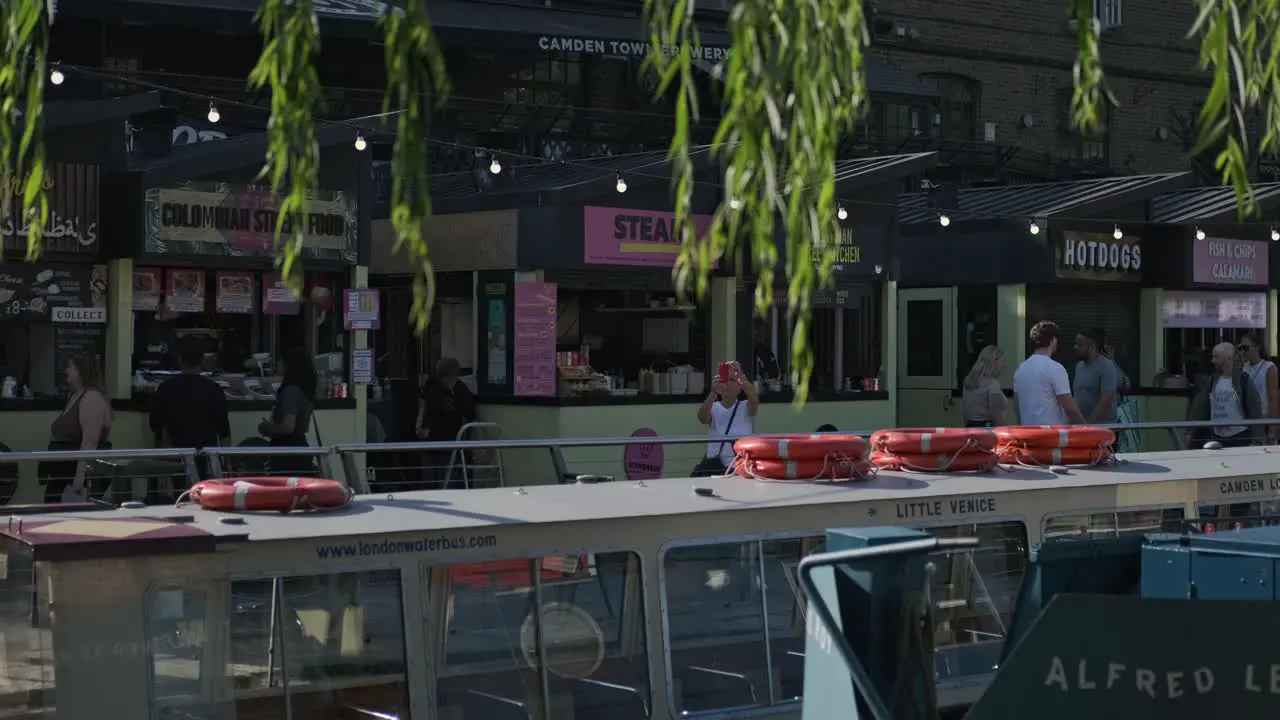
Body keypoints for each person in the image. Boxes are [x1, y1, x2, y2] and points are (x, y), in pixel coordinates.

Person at [149, 338, 230, 473]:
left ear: (179, 359)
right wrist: (227, 464)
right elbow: (224, 431)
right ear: (202, 360)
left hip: (175, 458)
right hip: (207, 457)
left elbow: (156, 426)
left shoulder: (165, 389)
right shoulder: (214, 389)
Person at [39, 356, 112, 503]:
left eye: (70, 367)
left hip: (73, 473)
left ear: (80, 371)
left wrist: (80, 476)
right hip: (60, 472)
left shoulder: (91, 397)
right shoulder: (74, 396)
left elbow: (90, 441)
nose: (66, 371)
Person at [1188, 341, 1263, 447]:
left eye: (1216, 357)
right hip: (1216, 436)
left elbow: (1255, 410)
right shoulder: (1212, 381)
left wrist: (1256, 440)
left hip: (1240, 436)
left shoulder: (1244, 380)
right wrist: (1190, 431)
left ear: (1227, 358)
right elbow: (1200, 407)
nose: (1213, 360)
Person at [416, 357, 476, 488]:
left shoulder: (458, 390)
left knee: (437, 478)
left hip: (443, 441)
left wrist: (420, 425)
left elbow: (424, 405)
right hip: (442, 440)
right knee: (440, 479)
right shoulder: (455, 389)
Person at [257, 347, 317, 474]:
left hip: (287, 451)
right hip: (299, 447)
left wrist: (267, 428)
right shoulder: (304, 389)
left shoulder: (290, 391)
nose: (278, 363)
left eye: (280, 360)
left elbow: (288, 426)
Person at [1013, 321, 1084, 426]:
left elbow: (1017, 405)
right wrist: (1085, 427)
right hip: (1050, 436)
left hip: (1026, 434)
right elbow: (1069, 406)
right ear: (1053, 340)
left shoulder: (1020, 369)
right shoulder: (1055, 368)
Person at [694, 361, 758, 476]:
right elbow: (702, 418)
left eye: (732, 380)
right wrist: (713, 392)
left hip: (740, 470)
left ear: (739, 388)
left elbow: (754, 400)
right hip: (715, 470)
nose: (728, 383)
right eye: (725, 380)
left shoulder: (745, 407)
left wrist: (741, 377)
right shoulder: (713, 407)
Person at [1072, 328, 1119, 424]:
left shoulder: (1106, 366)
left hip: (1102, 426)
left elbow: (1107, 399)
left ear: (1092, 346)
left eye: (1080, 344)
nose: (1075, 347)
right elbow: (1076, 395)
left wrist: (1090, 424)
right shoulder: (1079, 367)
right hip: (1081, 425)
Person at [1239, 333, 1279, 443]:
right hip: (1248, 419)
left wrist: (1274, 425)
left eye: (1246, 348)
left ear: (1257, 347)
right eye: (1241, 348)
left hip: (1264, 418)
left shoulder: (1268, 367)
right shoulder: (1244, 368)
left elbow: (1273, 397)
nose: (1243, 351)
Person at [961, 345, 1006, 427]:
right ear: (994, 362)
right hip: (987, 430)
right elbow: (997, 417)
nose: (1004, 366)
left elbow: (964, 414)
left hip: (970, 429)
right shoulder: (993, 385)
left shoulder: (968, 382)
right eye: (1002, 361)